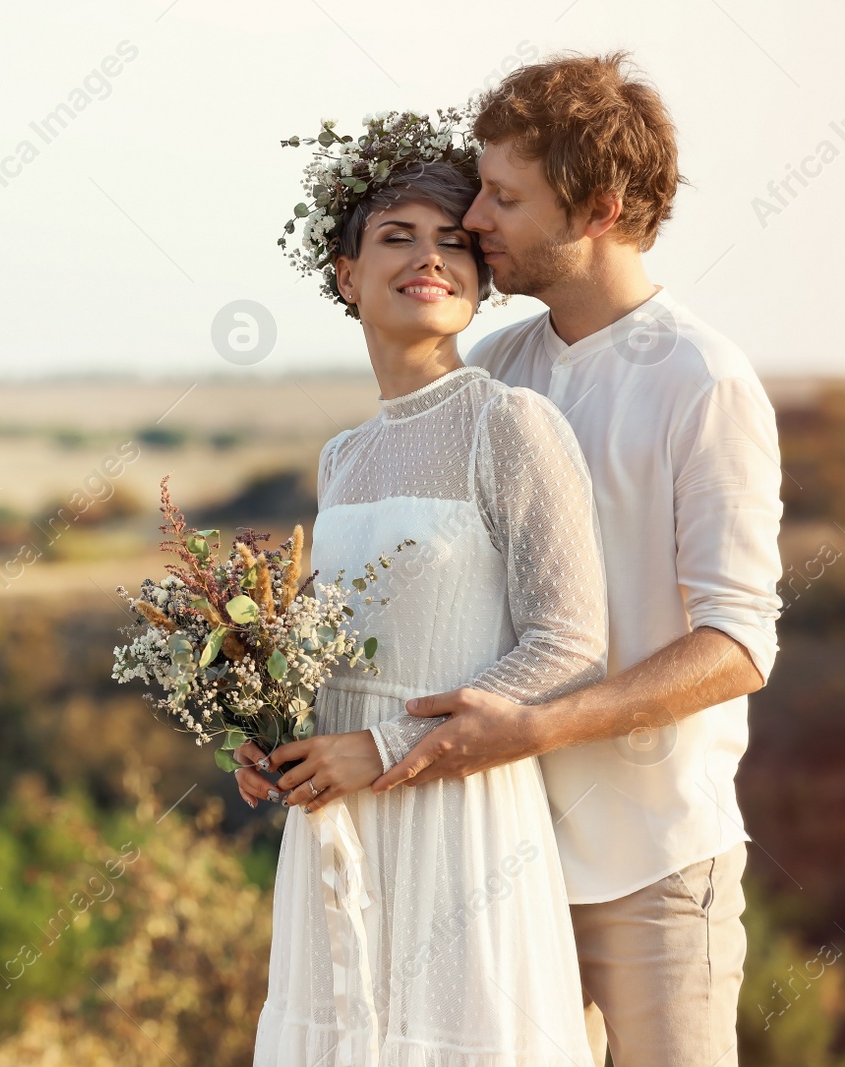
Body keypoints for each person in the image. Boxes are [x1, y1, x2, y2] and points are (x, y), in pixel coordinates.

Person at [365, 55, 784, 1067]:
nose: (475, 221)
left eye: (506, 198)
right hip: (498, 851)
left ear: (595, 209)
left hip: (653, 860)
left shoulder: (704, 381)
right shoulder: (500, 367)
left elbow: (736, 644)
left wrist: (537, 724)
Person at [235, 111, 607, 1065]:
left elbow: (569, 641)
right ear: (345, 273)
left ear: (480, 284)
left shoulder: (510, 425)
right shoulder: (344, 456)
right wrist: (276, 737)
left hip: (460, 821)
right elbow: (342, 639)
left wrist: (389, 747)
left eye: (454, 242)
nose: (429, 258)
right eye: (397, 236)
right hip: (336, 820)